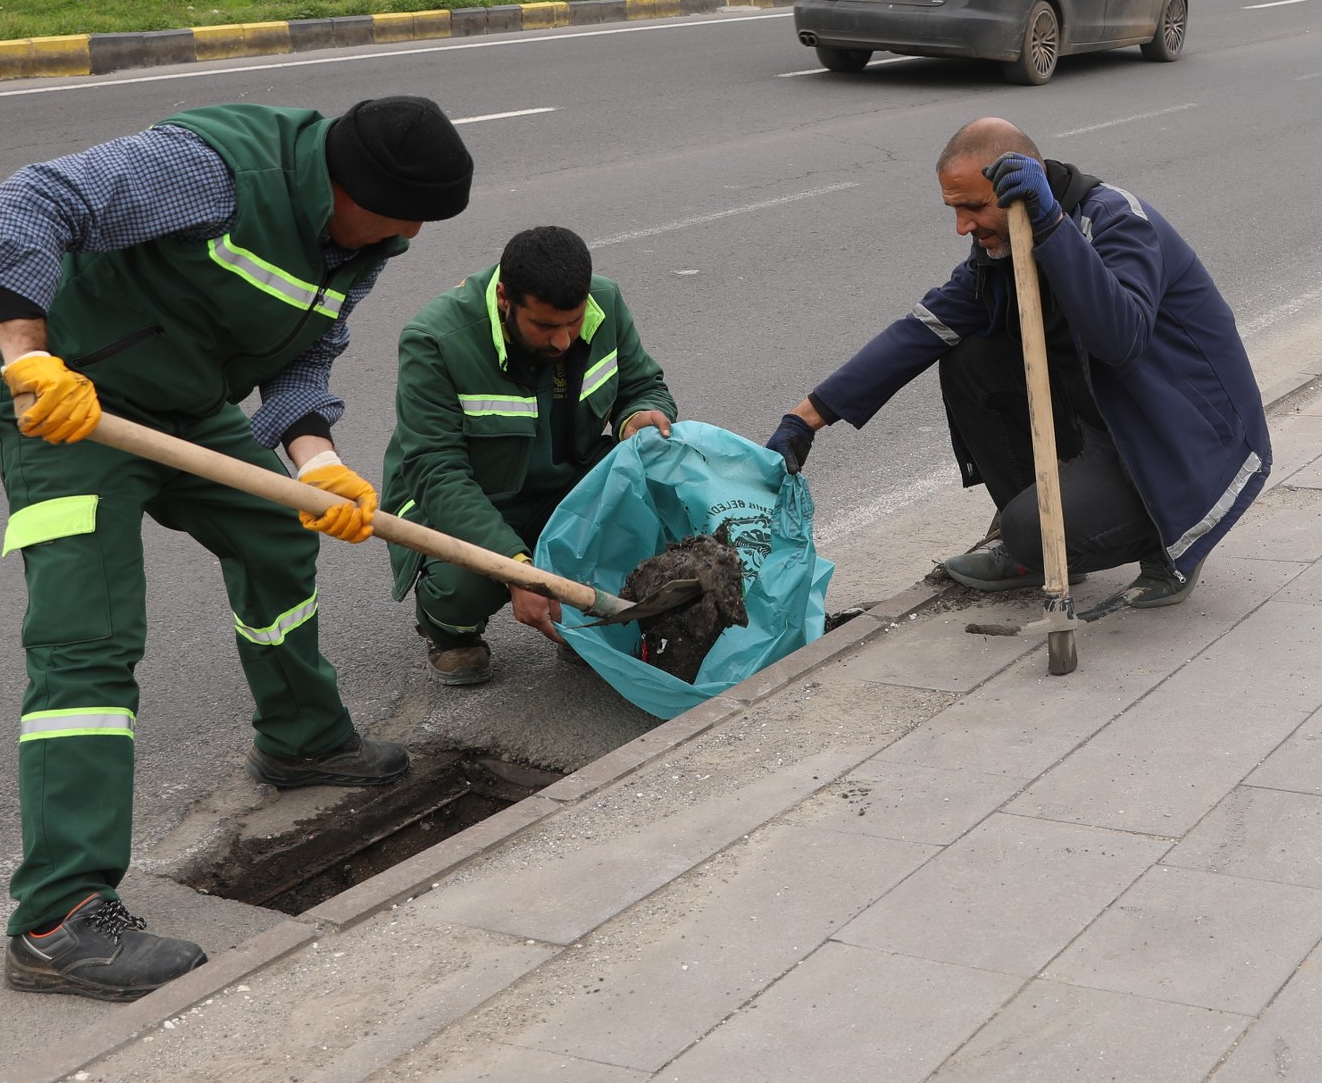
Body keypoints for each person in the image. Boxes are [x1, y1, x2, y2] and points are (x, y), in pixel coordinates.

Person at [0, 96, 473, 1001]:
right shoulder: (216, 171)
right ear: (350, 187)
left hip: (186, 406)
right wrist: (27, 356)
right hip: (68, 409)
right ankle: (57, 917)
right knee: (90, 636)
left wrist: (318, 464)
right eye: (403, 216)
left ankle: (301, 740)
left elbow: (302, 359)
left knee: (274, 532)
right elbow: (32, 199)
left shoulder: (360, 245)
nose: (410, 237)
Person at [767, 117, 1269, 604]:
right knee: (970, 359)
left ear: (1022, 190)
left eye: (973, 207)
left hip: (1175, 438)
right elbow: (921, 330)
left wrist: (1051, 226)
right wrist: (806, 418)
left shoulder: (1117, 222)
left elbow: (1122, 339)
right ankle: (1044, 551)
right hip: (1101, 421)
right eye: (954, 210)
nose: (962, 226)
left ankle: (1169, 542)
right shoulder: (1003, 245)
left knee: (1029, 530)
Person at [381, 225, 676, 685]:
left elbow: (642, 386)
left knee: (650, 518)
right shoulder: (435, 339)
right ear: (505, 298)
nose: (562, 341)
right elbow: (437, 473)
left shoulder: (605, 303)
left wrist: (638, 416)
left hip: (564, 487)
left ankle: (583, 620)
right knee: (463, 589)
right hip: (471, 502)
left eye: (572, 322)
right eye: (544, 326)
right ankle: (449, 630)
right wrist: (516, 570)